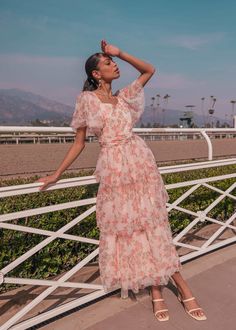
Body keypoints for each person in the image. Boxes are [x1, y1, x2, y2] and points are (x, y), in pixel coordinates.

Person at [36, 40, 207, 322]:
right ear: (95, 74)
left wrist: (120, 53)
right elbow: (79, 142)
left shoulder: (125, 97)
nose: (114, 65)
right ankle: (156, 292)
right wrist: (57, 174)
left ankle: (181, 285)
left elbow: (149, 69)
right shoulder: (86, 101)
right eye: (108, 63)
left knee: (154, 225)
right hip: (115, 169)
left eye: (112, 61)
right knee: (134, 231)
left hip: (140, 165)